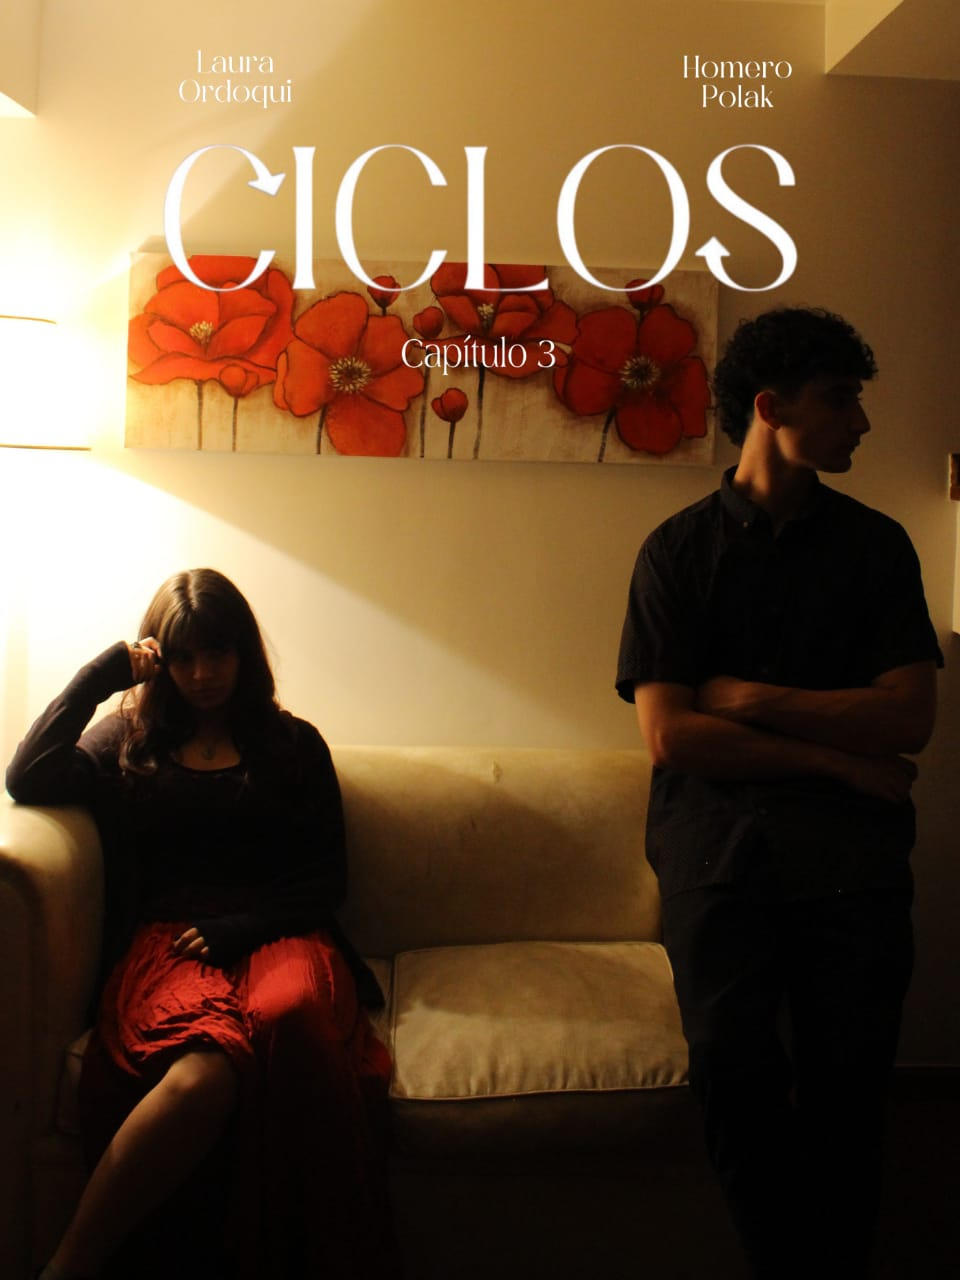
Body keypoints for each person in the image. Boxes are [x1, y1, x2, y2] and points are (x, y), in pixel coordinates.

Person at [615, 308, 941, 1279]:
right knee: (732, 1067)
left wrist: (752, 700)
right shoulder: (677, 551)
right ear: (770, 407)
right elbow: (672, 734)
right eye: (841, 399)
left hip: (853, 857)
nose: (861, 423)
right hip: (718, 850)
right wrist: (835, 756)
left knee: (852, 1086)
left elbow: (909, 718)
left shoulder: (877, 548)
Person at [6, 569, 396, 1280]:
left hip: (279, 930)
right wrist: (103, 674)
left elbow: (325, 881)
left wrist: (245, 925)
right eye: (183, 657)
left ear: (244, 652)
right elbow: (27, 776)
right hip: (170, 941)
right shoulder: (128, 741)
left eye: (217, 653)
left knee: (292, 1016)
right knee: (203, 1071)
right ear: (159, 660)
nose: (201, 674)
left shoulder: (294, 746)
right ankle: (68, 1266)